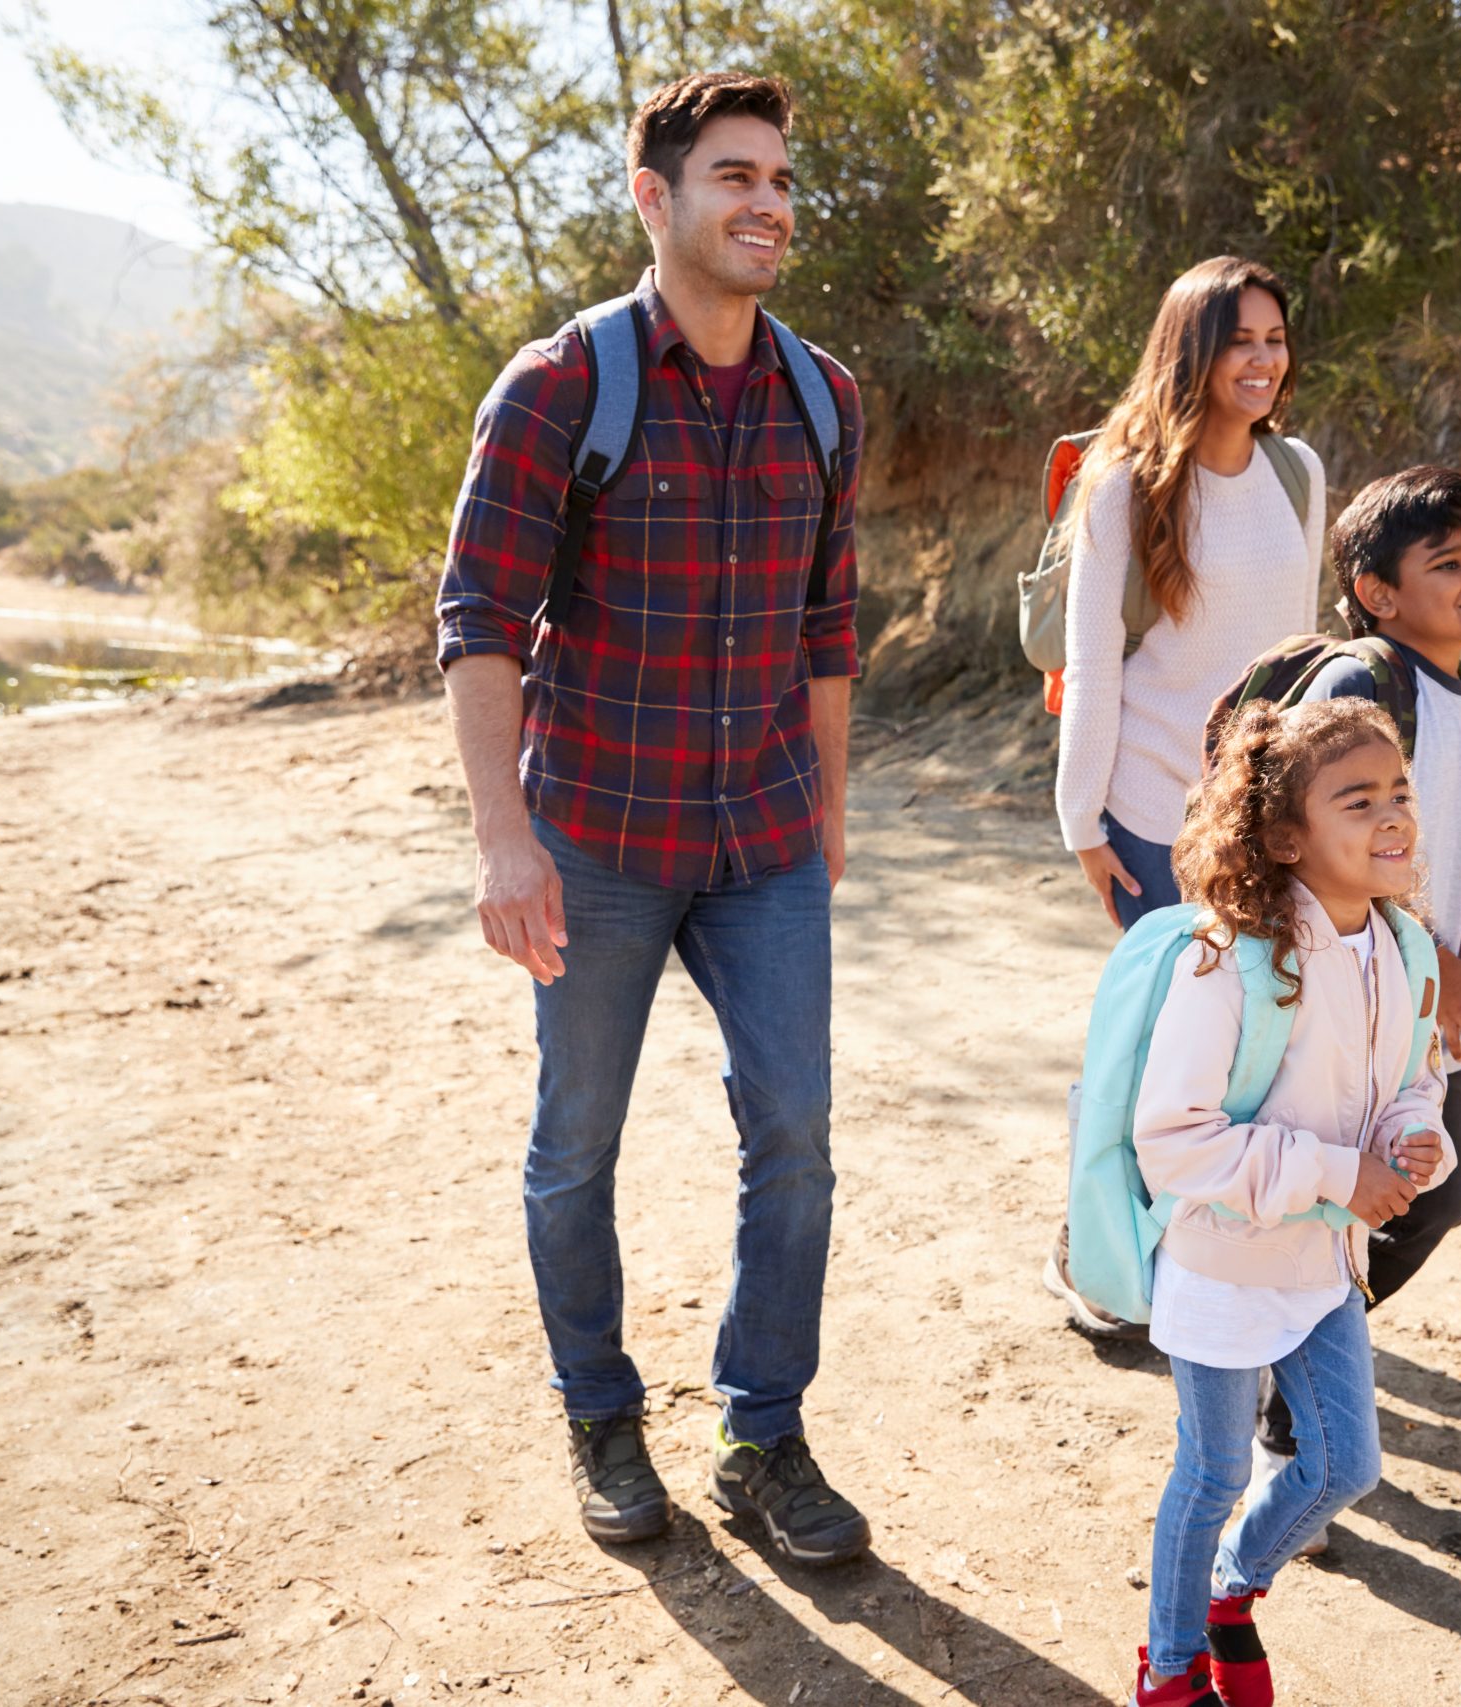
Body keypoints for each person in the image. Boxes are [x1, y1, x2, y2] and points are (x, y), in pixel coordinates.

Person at [432, 71, 871, 1567]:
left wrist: (830, 810)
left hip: (762, 839)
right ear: (655, 198)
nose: (767, 202)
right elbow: (480, 615)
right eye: (733, 175)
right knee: (578, 1141)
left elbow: (829, 624)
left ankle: (763, 1431)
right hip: (598, 839)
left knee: (797, 1136)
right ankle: (601, 1411)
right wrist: (504, 836)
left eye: (781, 180)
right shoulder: (561, 387)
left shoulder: (826, 395)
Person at [1126, 698, 1454, 1707]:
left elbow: (1414, 1074)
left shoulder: (1401, 947)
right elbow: (1172, 1138)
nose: (1391, 814)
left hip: (1325, 1269)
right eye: (1355, 800)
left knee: (1342, 1469)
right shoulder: (1225, 961)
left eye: (1397, 791)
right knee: (1214, 1475)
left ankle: (1234, 1591)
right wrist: (1331, 1172)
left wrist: (1413, 1136)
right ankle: (1171, 1667)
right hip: (1225, 1266)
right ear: (1283, 837)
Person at [1043, 256, 1325, 1339]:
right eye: (1239, 342)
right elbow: (1094, 665)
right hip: (1148, 819)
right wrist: (1081, 827)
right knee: (1158, 1051)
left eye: (1274, 340)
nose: (1262, 362)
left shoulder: (1297, 473)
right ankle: (1091, 1248)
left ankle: (1209, 1278)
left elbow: (1298, 660)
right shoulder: (1123, 484)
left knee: (1248, 1056)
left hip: (1256, 820)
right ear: (1191, 353)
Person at [1252, 466, 1461, 1545]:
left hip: (1415, 1000)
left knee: (1427, 1198)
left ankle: (1288, 1378)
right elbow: (1298, 824)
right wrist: (1418, 956)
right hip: (1340, 997)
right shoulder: (1362, 684)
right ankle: (1289, 1433)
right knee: (1360, 1207)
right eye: (1445, 564)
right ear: (1375, 590)